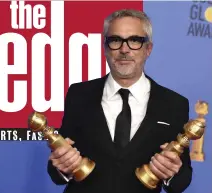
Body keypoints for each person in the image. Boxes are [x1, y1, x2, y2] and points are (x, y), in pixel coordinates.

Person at [47, 9, 192, 193]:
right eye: (115, 40)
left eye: (134, 41)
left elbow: (182, 180)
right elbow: (56, 171)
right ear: (105, 48)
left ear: (148, 49)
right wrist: (62, 166)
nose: (124, 50)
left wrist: (171, 172)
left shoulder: (174, 104)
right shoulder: (79, 94)